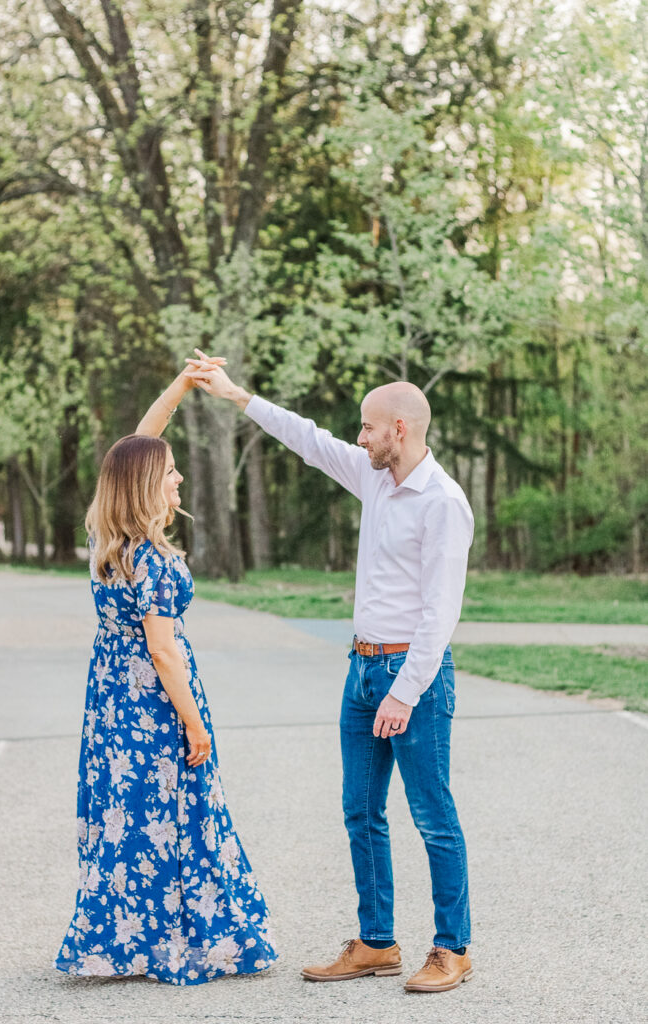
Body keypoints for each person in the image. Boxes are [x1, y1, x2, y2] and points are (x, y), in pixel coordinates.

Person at [187, 356, 473, 993]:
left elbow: (440, 614)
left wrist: (403, 692)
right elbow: (309, 439)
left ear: (400, 428)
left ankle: (452, 948)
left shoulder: (443, 503)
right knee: (360, 812)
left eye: (369, 428)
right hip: (361, 669)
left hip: (412, 676)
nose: (360, 438)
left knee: (432, 813)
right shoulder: (374, 478)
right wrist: (237, 396)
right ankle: (376, 943)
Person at [55, 364, 278, 985]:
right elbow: (164, 652)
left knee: (129, 819)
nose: (178, 476)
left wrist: (180, 388)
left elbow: (133, 451)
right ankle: (192, 943)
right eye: (171, 471)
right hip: (153, 705)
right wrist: (194, 720)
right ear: (152, 486)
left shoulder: (109, 538)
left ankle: (124, 941)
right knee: (178, 817)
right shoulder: (149, 557)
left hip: (110, 705)